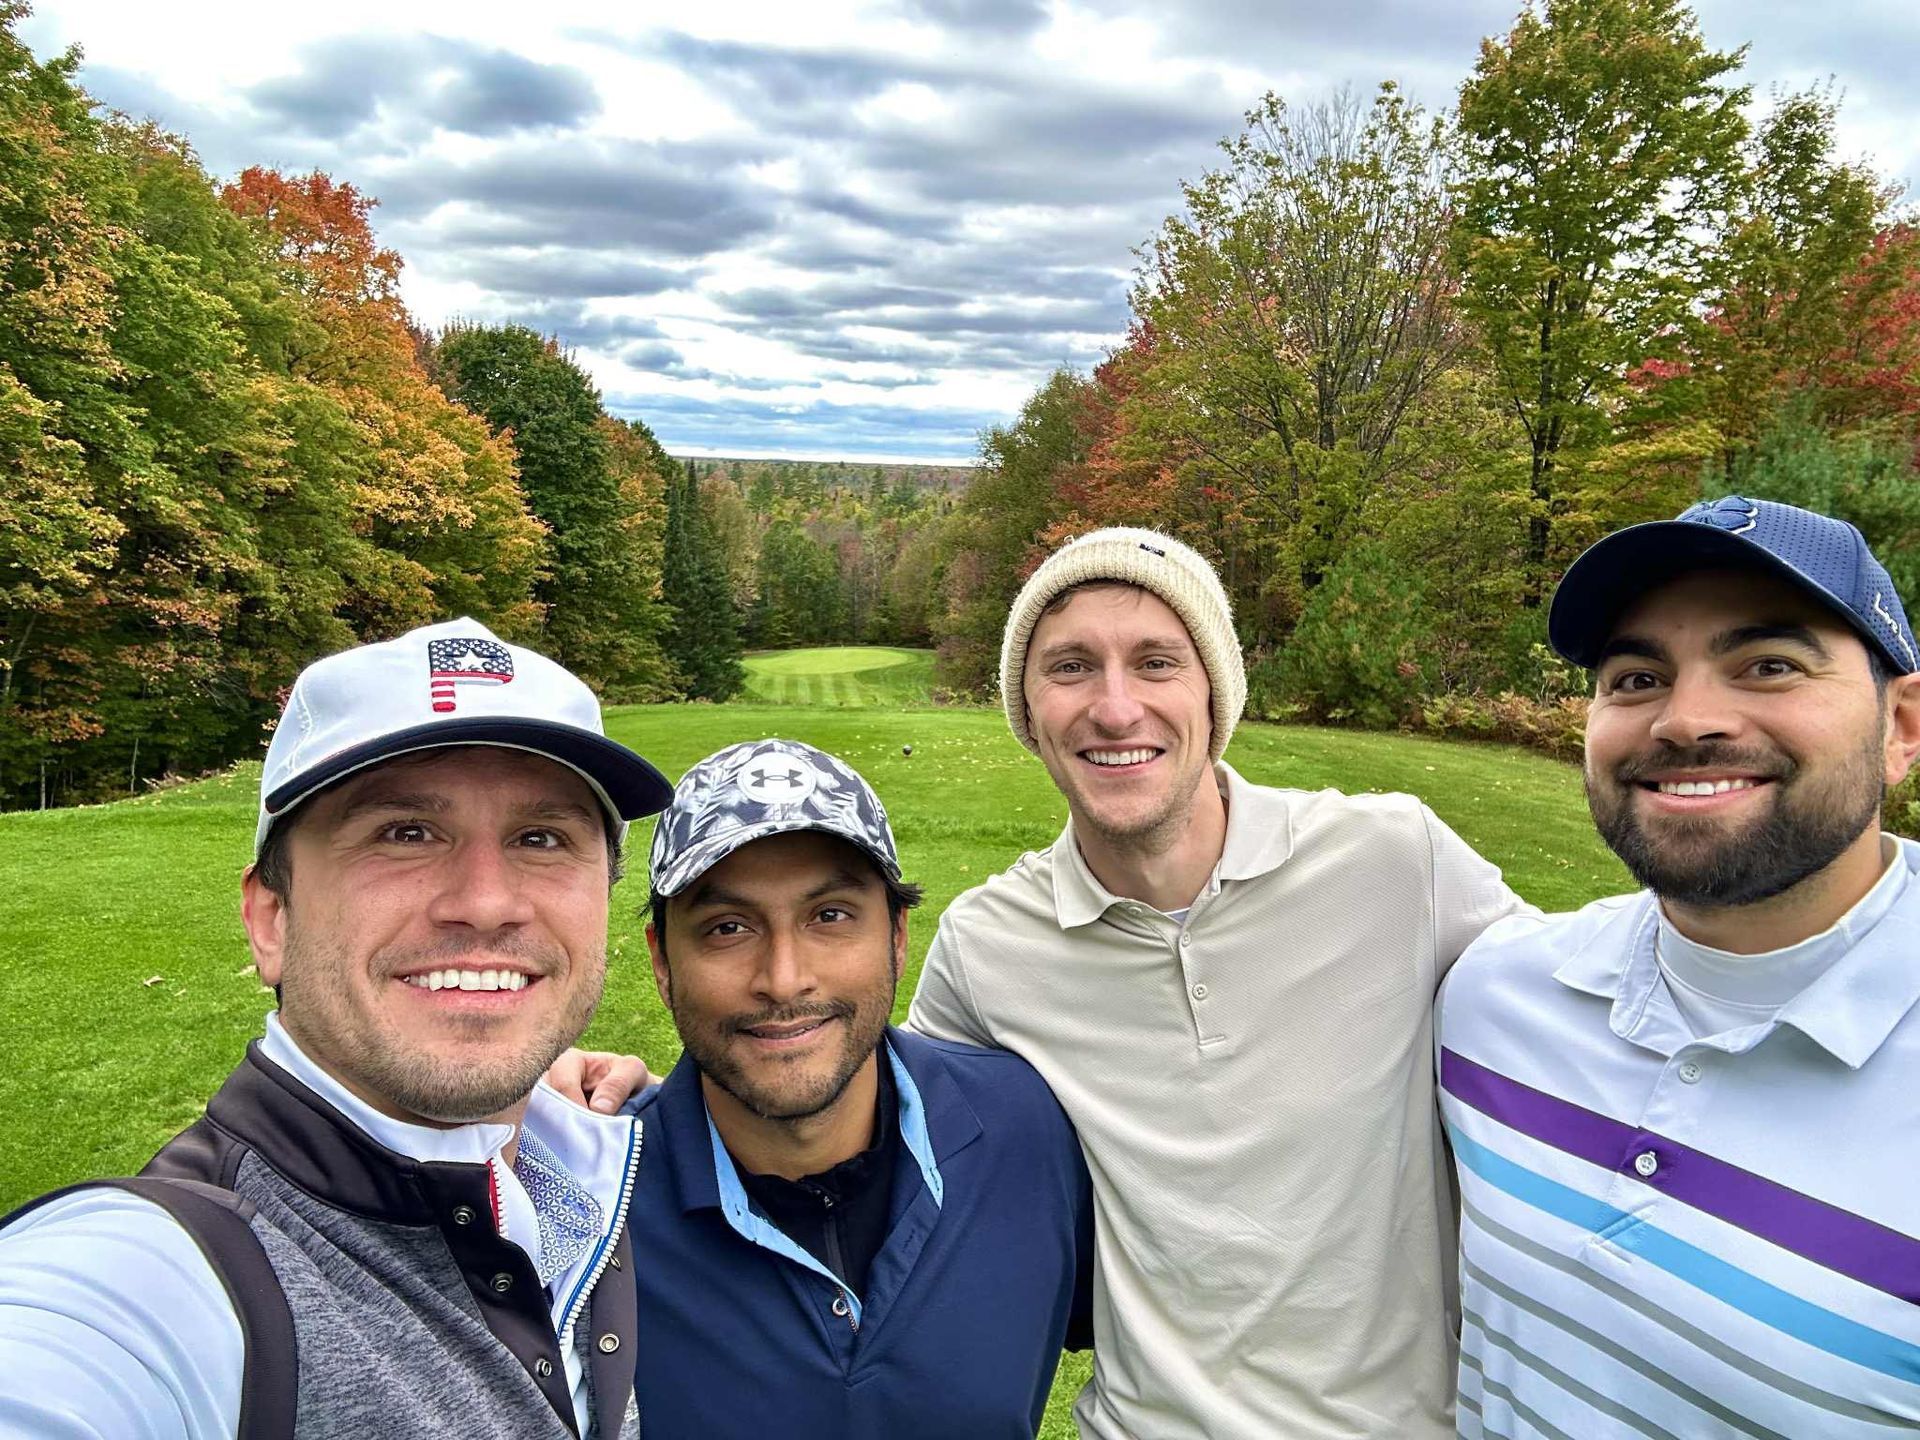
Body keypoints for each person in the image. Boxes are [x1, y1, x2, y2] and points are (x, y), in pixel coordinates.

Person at [904, 528, 1534, 1439]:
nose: (1115, 709)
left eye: (1156, 661)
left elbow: (1588, 1016)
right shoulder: (986, 944)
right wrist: (652, 1114)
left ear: (1215, 693)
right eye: (1071, 667)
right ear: (1028, 712)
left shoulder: (1397, 860)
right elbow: (892, 1157)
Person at [0, 618, 674, 1440]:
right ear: (272, 918)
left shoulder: (587, 1165)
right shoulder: (155, 1282)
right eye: (405, 832)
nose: (488, 901)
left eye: (542, 838)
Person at [1437, 496, 1920, 1436]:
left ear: (1903, 726)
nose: (1686, 720)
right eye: (1635, 676)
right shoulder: (1493, 999)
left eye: (1769, 666)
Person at [627, 738, 1093, 1439]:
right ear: (664, 963)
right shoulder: (588, 1205)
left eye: (830, 916)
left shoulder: (1030, 1129)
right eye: (728, 927)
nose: (784, 979)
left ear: (899, 938)